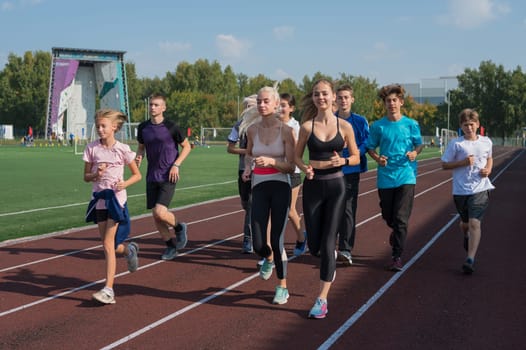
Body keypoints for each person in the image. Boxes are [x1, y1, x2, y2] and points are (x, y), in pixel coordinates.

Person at [294, 79, 360, 319]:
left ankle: (321, 299)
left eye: (324, 94)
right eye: (316, 94)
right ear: (313, 98)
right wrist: (305, 168)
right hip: (313, 186)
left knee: (329, 240)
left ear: (333, 97)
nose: (320, 97)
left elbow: (355, 157)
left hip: (336, 185)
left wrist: (342, 161)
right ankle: (327, 254)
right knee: (315, 247)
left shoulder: (345, 127)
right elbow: (296, 157)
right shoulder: (306, 127)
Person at [241, 85, 296, 305]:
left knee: (276, 239)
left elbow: (291, 166)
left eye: (267, 101)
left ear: (275, 104)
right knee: (257, 242)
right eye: (260, 102)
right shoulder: (252, 130)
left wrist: (272, 161)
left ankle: (282, 286)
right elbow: (248, 154)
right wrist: (247, 168)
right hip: (259, 186)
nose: (262, 105)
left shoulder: (286, 131)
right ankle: (268, 258)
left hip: (281, 186)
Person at [83, 109, 142, 304]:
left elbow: (137, 175)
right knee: (111, 246)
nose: (100, 129)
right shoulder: (91, 148)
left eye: (103, 126)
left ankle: (109, 290)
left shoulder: (122, 149)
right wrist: (96, 175)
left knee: (108, 244)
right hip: (99, 198)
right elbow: (86, 177)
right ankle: (128, 250)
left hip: (116, 200)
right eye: (98, 126)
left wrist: (125, 184)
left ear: (114, 127)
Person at [366, 84, 424, 272]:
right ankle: (396, 232)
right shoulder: (378, 126)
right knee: (388, 215)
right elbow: (370, 147)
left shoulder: (411, 124)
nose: (391, 104)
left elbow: (419, 145)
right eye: (387, 101)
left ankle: (396, 256)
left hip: (406, 175)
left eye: (394, 100)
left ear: (401, 102)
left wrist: (415, 153)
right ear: (384, 104)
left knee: (401, 219)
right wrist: (377, 158)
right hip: (386, 177)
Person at [135, 94, 192, 260]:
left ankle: (179, 228)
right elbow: (141, 148)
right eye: (151, 105)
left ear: (163, 108)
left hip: (168, 174)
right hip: (151, 176)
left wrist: (176, 164)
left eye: (156, 105)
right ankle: (170, 246)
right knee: (156, 215)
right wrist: (139, 157)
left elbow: (187, 147)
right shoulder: (143, 127)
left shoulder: (172, 127)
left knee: (160, 212)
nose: (152, 107)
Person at [441, 108, 495, 274]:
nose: (469, 128)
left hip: (480, 188)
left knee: (474, 223)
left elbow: (490, 158)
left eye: (471, 124)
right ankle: (465, 235)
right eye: (465, 125)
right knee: (465, 224)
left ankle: (470, 259)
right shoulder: (456, 144)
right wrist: (463, 163)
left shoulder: (486, 142)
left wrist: (488, 169)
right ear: (461, 126)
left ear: (477, 124)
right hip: (460, 190)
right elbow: (444, 165)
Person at [334, 84, 370, 265]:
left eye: (346, 97)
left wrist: (353, 153)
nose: (343, 101)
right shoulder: (329, 120)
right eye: (340, 97)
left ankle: (346, 249)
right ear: (335, 99)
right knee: (332, 209)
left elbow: (367, 143)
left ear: (352, 99)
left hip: (351, 171)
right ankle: (328, 244)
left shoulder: (360, 121)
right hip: (331, 171)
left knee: (348, 209)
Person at [227, 94, 258, 253]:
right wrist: (247, 151)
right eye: (245, 107)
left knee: (252, 204)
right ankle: (256, 226)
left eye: (250, 106)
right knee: (246, 204)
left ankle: (248, 239)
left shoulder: (262, 125)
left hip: (260, 169)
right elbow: (230, 148)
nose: (247, 109)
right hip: (242, 168)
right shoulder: (239, 126)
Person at [278, 93, 307, 257]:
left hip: (292, 172)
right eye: (279, 105)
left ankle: (301, 238)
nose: (280, 108)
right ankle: (273, 246)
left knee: (289, 210)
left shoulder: (295, 126)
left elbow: (296, 151)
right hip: (275, 171)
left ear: (291, 108)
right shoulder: (273, 124)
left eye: (284, 105)